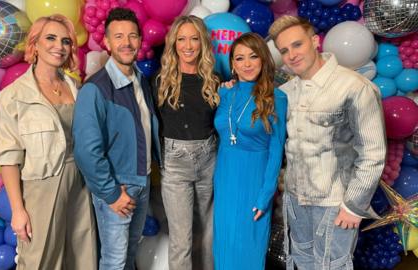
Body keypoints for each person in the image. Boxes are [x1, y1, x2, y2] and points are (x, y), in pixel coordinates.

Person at [268, 16, 386, 269]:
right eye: (284, 51)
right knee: (300, 261)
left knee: (332, 265)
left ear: (315, 41)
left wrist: (354, 206)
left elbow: (373, 152)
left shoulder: (354, 87)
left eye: (297, 45)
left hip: (334, 202)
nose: (291, 55)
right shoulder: (287, 92)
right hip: (296, 200)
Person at [0, 14, 97, 269]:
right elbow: (8, 158)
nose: (59, 46)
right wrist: (18, 210)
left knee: (82, 256)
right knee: (39, 261)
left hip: (80, 183)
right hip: (41, 187)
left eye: (66, 40)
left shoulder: (75, 87)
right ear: (34, 44)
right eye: (51, 38)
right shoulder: (14, 95)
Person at [72, 8, 161, 270]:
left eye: (133, 36)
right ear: (107, 43)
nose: (127, 43)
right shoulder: (95, 88)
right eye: (119, 36)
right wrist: (111, 193)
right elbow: (87, 151)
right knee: (114, 260)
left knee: (130, 254)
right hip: (117, 186)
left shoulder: (140, 81)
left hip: (141, 180)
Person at [213, 32, 287, 270]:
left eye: (253, 57)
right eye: (239, 58)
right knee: (224, 248)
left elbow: (276, 151)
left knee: (248, 252)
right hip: (225, 180)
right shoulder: (225, 92)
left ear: (263, 59)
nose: (246, 64)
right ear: (232, 64)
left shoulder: (277, 97)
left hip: (254, 182)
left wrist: (265, 195)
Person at [152, 15, 220, 270]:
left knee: (207, 235)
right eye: (182, 39)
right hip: (175, 164)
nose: (188, 45)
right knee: (181, 240)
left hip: (208, 161)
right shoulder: (160, 81)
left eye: (194, 39)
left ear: (202, 43)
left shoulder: (214, 80)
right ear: (173, 44)